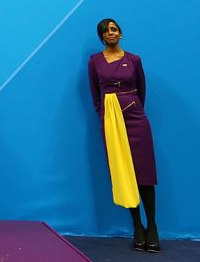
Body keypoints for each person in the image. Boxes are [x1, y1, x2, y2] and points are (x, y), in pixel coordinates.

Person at [87, 19, 159, 253]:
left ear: (121, 33)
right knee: (124, 173)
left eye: (114, 29)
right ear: (101, 36)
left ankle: (153, 227)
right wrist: (106, 118)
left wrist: (133, 108)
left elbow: (142, 89)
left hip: (136, 118)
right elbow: (96, 96)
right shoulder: (95, 62)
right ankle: (137, 226)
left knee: (144, 174)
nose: (111, 33)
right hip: (112, 122)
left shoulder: (134, 60)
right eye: (106, 31)